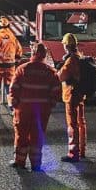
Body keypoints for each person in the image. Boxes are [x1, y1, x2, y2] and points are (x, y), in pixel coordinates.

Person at [8, 42, 61, 172]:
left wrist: (14, 104)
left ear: (32, 53)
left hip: (23, 109)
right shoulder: (50, 72)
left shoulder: (22, 69)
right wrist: (51, 104)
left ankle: (19, 161)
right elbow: (56, 91)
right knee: (37, 136)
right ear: (44, 55)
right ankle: (36, 164)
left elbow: (14, 89)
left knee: (21, 135)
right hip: (41, 111)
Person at [57, 33, 86, 162]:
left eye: (64, 45)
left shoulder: (71, 60)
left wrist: (58, 70)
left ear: (67, 46)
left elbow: (61, 76)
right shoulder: (80, 56)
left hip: (71, 95)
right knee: (81, 122)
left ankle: (73, 153)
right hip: (80, 93)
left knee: (72, 124)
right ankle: (81, 150)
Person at [0, 17, 22, 116]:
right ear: (8, 26)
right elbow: (19, 51)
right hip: (10, 67)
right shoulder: (13, 38)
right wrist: (16, 61)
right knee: (10, 88)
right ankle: (12, 109)